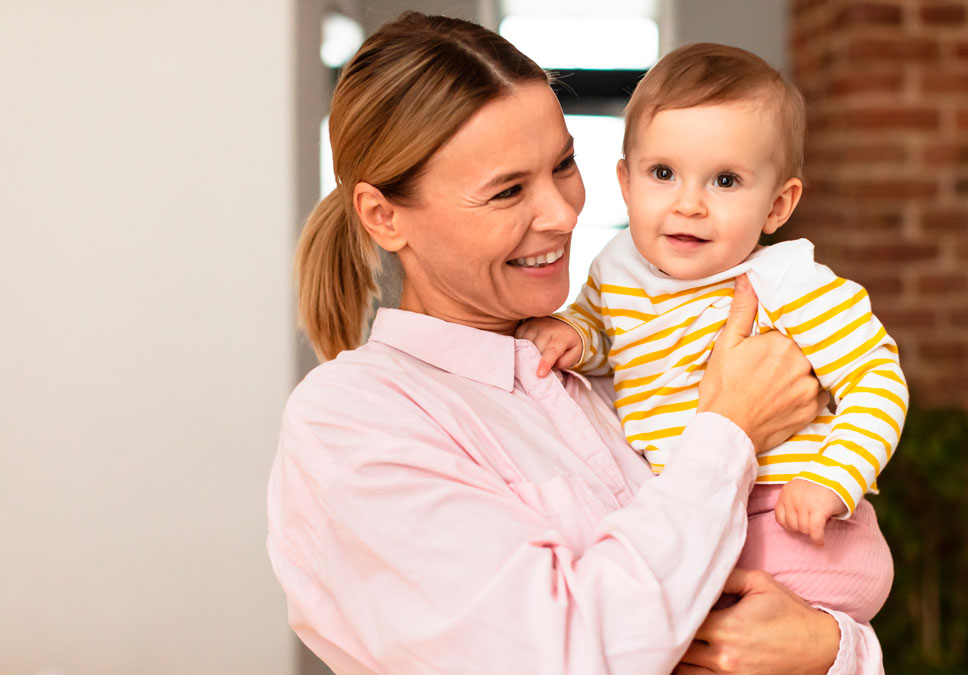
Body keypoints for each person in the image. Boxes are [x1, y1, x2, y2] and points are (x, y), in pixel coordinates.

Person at [267, 12, 886, 674]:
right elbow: (556, 656)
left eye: (564, 164)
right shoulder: (354, 421)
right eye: (508, 191)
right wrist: (728, 428)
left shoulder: (613, 362)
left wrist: (830, 647)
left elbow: (774, 609)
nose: (564, 214)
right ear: (384, 216)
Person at [516, 44, 906, 625]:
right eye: (663, 173)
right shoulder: (615, 266)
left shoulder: (788, 281)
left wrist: (832, 478)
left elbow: (877, 378)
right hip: (694, 510)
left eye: (725, 181)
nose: (689, 205)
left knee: (679, 616)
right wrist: (572, 334)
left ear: (777, 206)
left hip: (786, 517)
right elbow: (604, 332)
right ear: (625, 182)